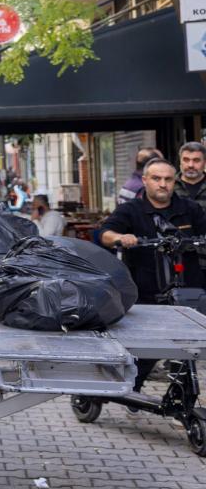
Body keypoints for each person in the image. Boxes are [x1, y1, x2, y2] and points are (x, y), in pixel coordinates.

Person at [97, 158, 206, 393]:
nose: (163, 184)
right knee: (147, 348)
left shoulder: (190, 209)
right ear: (145, 180)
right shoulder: (131, 210)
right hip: (145, 289)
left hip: (186, 289)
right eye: (156, 179)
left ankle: (180, 394)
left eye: (168, 179)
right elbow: (104, 233)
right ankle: (129, 387)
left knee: (187, 345)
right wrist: (119, 238)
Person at [174, 141, 206, 212]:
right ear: (180, 161)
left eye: (196, 160)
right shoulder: (170, 185)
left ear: (204, 162)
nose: (190, 165)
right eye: (186, 160)